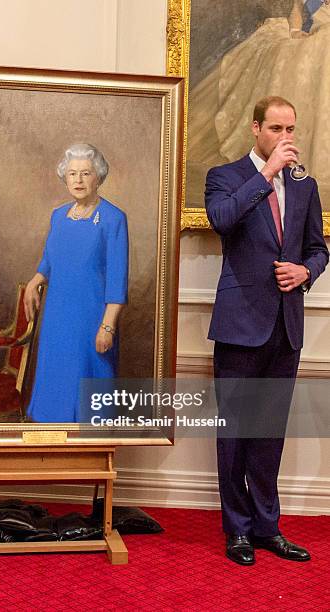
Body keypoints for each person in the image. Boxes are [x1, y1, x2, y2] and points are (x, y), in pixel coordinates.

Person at [206, 96, 328, 566]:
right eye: (276, 129)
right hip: (240, 325)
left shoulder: (306, 186)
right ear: (256, 128)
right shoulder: (226, 177)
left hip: (285, 327)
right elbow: (221, 219)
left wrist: (305, 272)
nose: (286, 138)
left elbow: (319, 248)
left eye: (291, 130)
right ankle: (236, 531)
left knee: (269, 434)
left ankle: (266, 528)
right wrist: (266, 174)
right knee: (234, 433)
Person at [188, 0, 330, 206]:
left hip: (324, 40)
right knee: (293, 55)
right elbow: (297, 12)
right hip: (318, 37)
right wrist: (296, 30)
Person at [23, 144, 128, 423]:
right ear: (65, 177)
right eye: (72, 174)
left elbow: (118, 280)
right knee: (54, 392)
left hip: (91, 320)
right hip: (57, 319)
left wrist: (107, 327)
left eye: (85, 173)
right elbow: (50, 260)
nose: (78, 181)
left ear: (99, 177)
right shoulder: (58, 216)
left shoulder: (113, 219)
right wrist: (35, 281)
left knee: (88, 404)